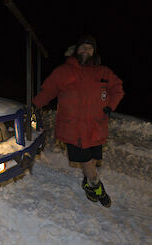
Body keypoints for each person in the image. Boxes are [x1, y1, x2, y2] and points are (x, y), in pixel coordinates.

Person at [32, 35, 124, 207]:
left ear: (94, 52)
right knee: (86, 160)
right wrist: (34, 105)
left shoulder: (103, 72)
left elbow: (117, 89)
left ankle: (87, 181)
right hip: (73, 127)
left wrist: (110, 106)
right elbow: (48, 90)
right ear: (76, 50)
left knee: (93, 158)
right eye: (83, 47)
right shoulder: (64, 71)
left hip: (97, 126)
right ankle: (96, 186)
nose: (86, 50)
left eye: (90, 48)